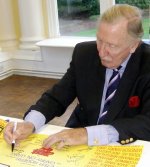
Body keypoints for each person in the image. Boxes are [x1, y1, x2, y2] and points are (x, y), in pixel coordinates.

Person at [4, 4, 150, 149]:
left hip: (123, 143)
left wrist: (89, 134)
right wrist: (30, 123)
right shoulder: (84, 53)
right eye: (100, 40)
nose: (101, 52)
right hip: (76, 141)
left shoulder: (147, 63)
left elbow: (147, 122)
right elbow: (57, 97)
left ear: (133, 45)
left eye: (112, 46)